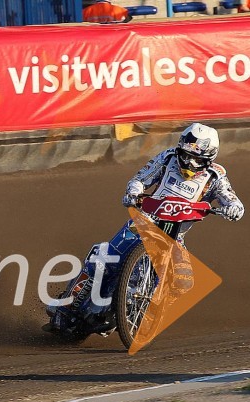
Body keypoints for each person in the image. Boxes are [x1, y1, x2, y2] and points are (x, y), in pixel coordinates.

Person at [47, 123, 243, 335]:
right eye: (185, 155)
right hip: (143, 222)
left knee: (183, 282)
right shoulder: (168, 158)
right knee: (103, 260)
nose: (188, 161)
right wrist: (133, 193)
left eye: (195, 159)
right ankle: (67, 305)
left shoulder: (216, 176)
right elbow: (140, 179)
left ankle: (135, 313)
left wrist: (232, 209)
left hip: (175, 236)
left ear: (209, 158)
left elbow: (234, 202)